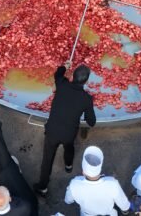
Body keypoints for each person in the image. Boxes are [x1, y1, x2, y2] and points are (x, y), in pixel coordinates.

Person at [34, 63, 95, 195]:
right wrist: (83, 110)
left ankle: (43, 186)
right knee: (69, 148)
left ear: (73, 76)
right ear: (86, 81)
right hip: (69, 134)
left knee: (47, 160)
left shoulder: (62, 84)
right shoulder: (87, 99)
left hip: (52, 131)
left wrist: (65, 66)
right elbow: (92, 122)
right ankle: (68, 166)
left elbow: (58, 74)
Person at [62, 146, 130, 214]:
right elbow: (124, 205)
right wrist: (125, 211)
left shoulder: (74, 184)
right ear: (99, 170)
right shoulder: (112, 183)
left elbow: (68, 200)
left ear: (83, 172)